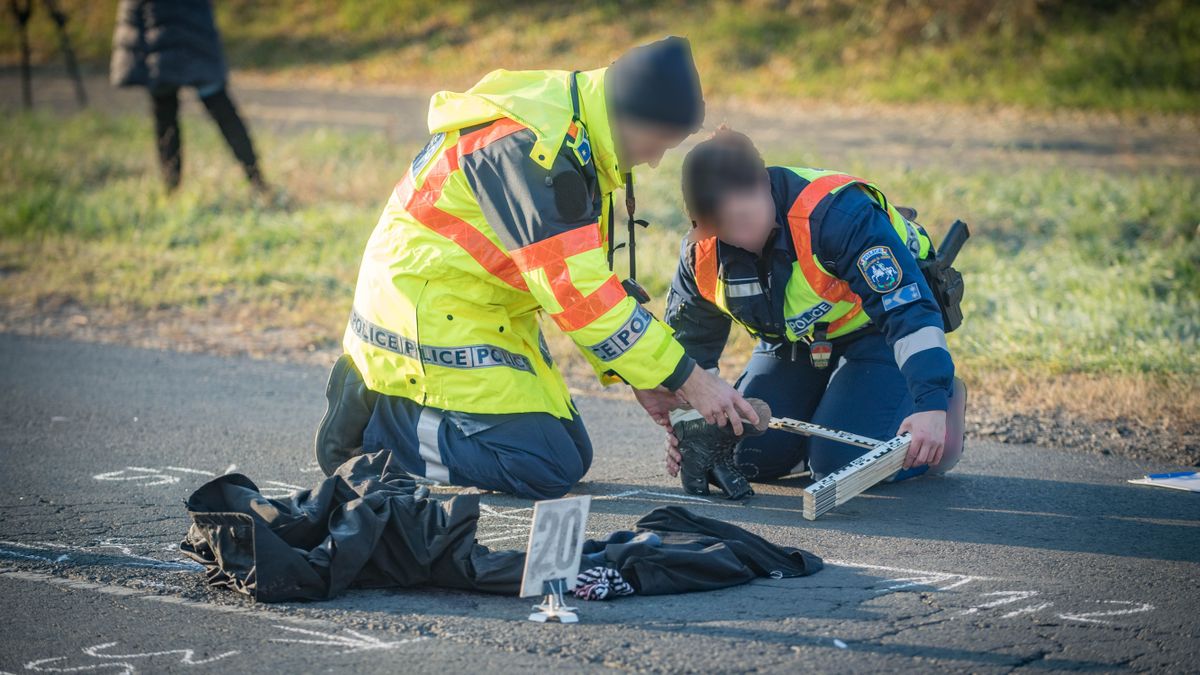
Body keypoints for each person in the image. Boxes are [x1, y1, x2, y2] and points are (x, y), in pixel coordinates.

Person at [315, 37, 759, 500]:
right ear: (629, 116)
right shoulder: (536, 150)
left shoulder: (577, 128)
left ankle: (398, 415)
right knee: (544, 468)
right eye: (657, 144)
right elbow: (579, 296)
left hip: (480, 307)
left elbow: (586, 287)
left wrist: (643, 380)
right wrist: (689, 378)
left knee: (570, 452)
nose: (653, 160)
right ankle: (377, 430)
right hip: (423, 310)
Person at [656, 128, 967, 498]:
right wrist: (689, 428)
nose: (736, 238)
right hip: (794, 342)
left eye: (741, 219)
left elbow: (907, 309)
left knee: (841, 466)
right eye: (721, 228)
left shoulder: (837, 216)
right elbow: (691, 349)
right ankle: (828, 418)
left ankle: (942, 416)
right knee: (744, 453)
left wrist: (929, 402)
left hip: (878, 332)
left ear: (763, 183)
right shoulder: (702, 252)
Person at [110, 0, 265, 193]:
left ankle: (256, 181)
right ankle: (257, 182)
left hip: (167, 21)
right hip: (172, 21)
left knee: (194, 107)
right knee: (175, 109)